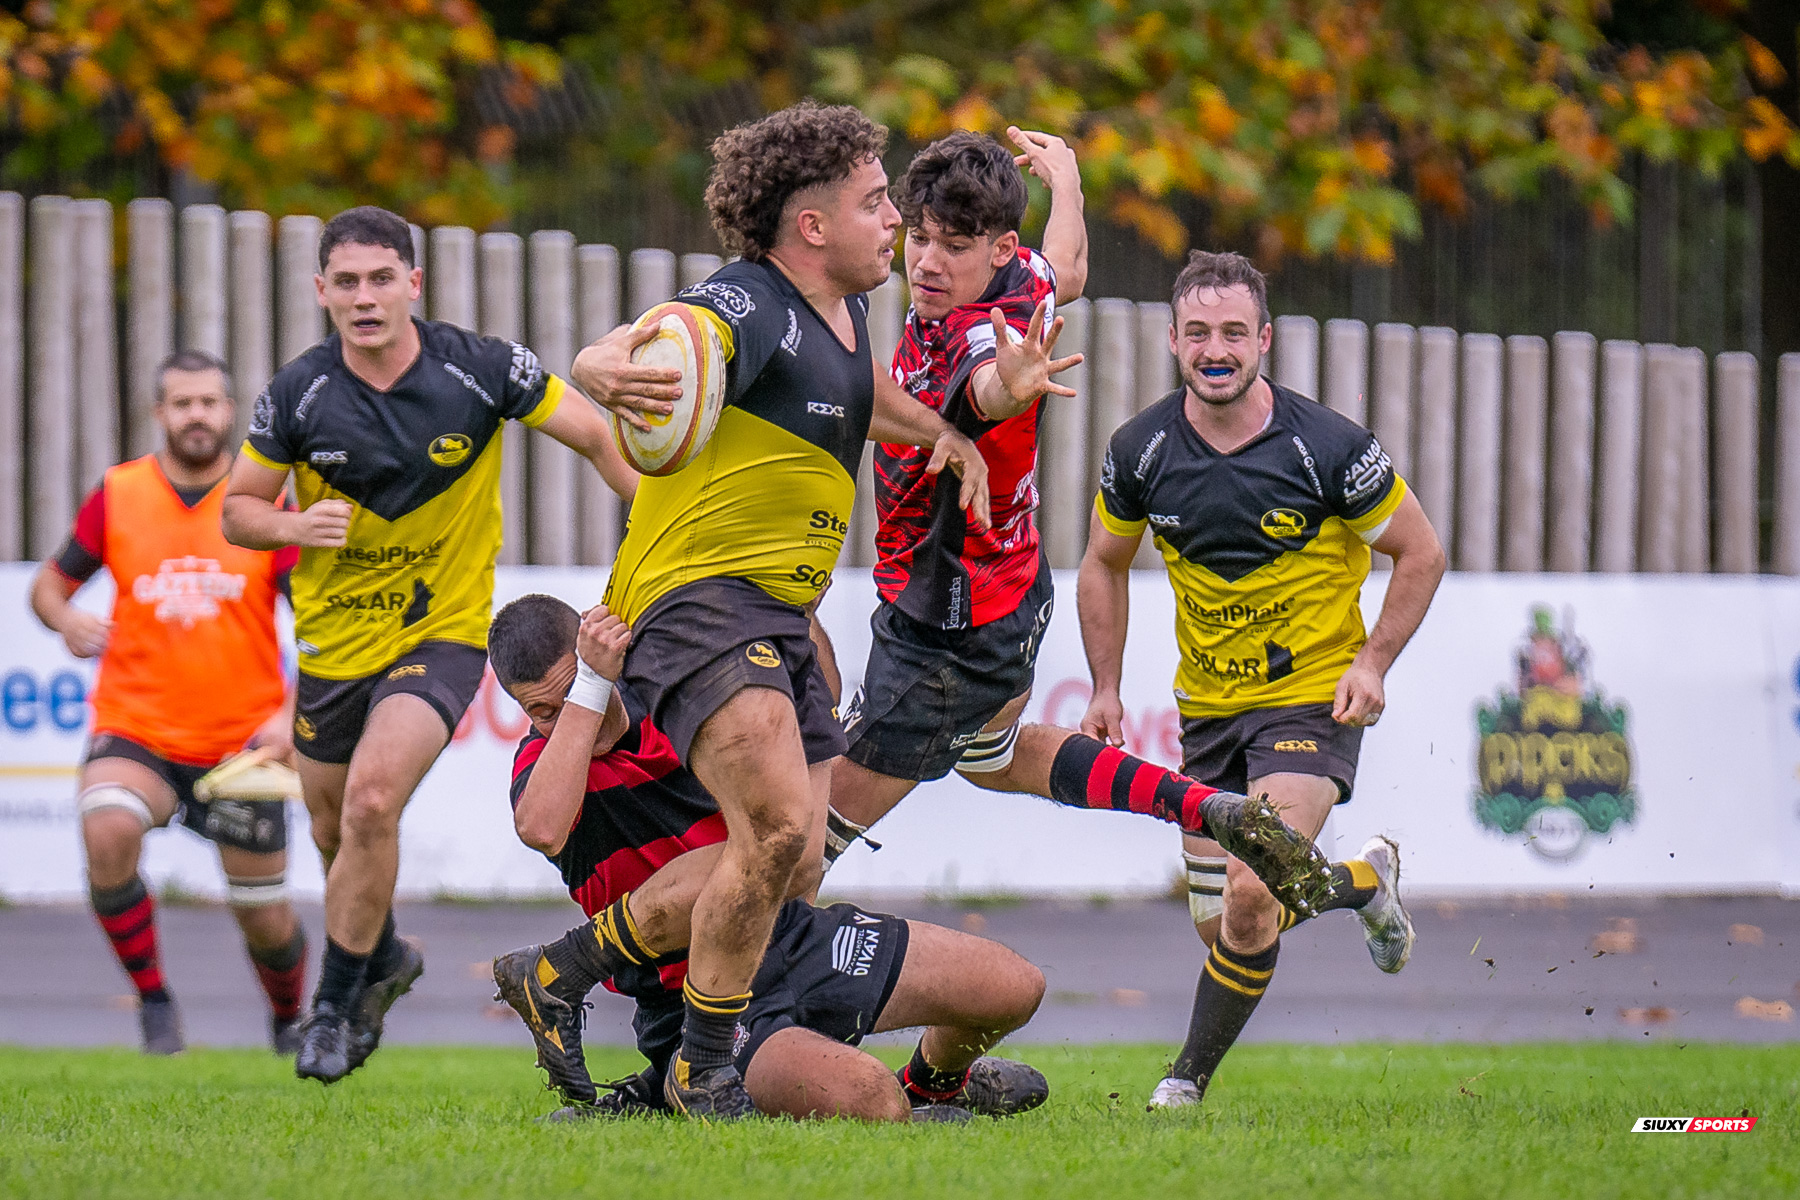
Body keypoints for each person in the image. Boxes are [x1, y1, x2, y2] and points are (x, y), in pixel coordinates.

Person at [569, 101, 1024, 1118]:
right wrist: (601, 366)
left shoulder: (844, 319)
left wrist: (945, 435)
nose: (895, 225)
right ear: (813, 226)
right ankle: (699, 1069)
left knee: (799, 857)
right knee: (775, 831)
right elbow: (664, 338)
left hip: (775, 613)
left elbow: (867, 397)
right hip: (697, 602)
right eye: (875, 204)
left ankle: (613, 1016)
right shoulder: (751, 298)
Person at [816, 131, 1331, 918]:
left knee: (798, 843)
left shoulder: (977, 332)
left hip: (943, 633)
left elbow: (988, 383)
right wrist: (1071, 186)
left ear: (997, 250)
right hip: (1009, 600)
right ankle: (1208, 808)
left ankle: (731, 1025)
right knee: (991, 759)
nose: (925, 263)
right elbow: (1071, 267)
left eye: (953, 247)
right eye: (919, 238)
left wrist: (1006, 387)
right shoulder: (1022, 280)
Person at [221, 205, 639, 1084]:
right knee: (335, 828)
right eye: (347, 282)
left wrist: (658, 523)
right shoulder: (298, 392)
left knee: (373, 800)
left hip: (439, 633)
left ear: (415, 283)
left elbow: (597, 435)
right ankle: (381, 961)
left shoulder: (481, 369)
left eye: (382, 279)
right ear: (321, 292)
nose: (365, 297)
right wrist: (293, 521)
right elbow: (236, 511)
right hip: (334, 648)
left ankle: (331, 1011)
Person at [1080, 250, 1445, 1107]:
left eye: (1234, 332)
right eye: (1199, 332)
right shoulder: (1140, 450)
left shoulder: (1329, 449)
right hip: (1207, 709)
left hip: (1310, 700)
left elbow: (1420, 551)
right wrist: (1105, 685)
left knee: (1252, 891)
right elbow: (1102, 563)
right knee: (1230, 924)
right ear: (1172, 339)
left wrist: (1373, 662)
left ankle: (1182, 1087)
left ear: (1264, 341)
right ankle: (1363, 881)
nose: (1217, 348)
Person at [485, 594, 1049, 1123]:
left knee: (1014, 988)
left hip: (789, 935)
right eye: (541, 710)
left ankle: (930, 1083)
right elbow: (541, 827)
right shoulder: (547, 762)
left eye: (572, 694)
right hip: (687, 997)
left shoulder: (668, 700)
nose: (561, 719)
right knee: (873, 1102)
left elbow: (816, 690)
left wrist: (789, 600)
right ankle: (679, 1068)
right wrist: (586, 687)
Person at [30, 349, 307, 1055]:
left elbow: (324, 626)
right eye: (182, 403)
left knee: (265, 920)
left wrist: (288, 715)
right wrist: (66, 621)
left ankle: (287, 1020)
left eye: (210, 402)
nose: (196, 415)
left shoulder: (265, 503)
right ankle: (154, 1003)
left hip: (244, 744)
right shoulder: (120, 493)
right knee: (107, 830)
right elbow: (49, 588)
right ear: (160, 413)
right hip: (138, 730)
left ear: (230, 412)